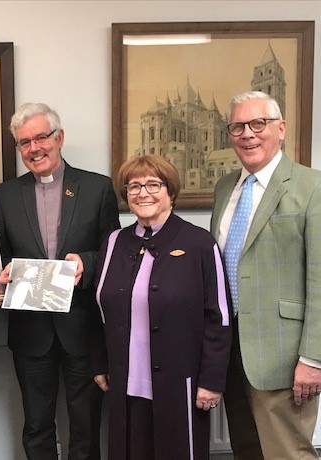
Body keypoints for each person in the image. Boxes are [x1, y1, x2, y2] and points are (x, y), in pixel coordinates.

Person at [0, 102, 120, 460]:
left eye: (41, 138)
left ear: (59, 138)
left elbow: (113, 250)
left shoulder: (97, 188)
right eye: (24, 143)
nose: (34, 149)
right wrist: (0, 272)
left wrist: (87, 263)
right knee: (36, 423)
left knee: (86, 422)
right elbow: (0, 254)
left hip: (82, 326)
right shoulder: (5, 195)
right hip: (31, 330)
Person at [91, 154, 231, 459]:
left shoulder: (199, 244)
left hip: (181, 384)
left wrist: (211, 381)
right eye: (134, 186)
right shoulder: (114, 242)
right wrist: (99, 362)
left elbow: (218, 317)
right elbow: (99, 311)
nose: (143, 192)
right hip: (125, 379)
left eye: (154, 184)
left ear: (171, 191)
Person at [211, 90, 321, 460]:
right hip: (230, 348)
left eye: (258, 123)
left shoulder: (312, 187)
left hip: (284, 354)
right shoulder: (226, 187)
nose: (248, 134)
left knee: (288, 454)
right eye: (238, 126)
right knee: (246, 449)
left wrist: (314, 358)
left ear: (282, 129)